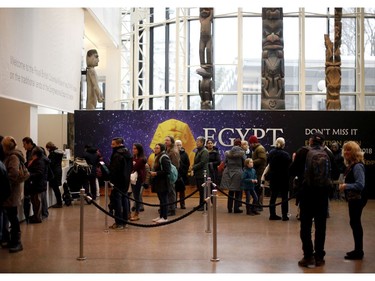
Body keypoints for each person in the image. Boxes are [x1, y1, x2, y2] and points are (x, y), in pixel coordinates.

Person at [289, 132, 338, 267]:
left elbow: (292, 171)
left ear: (310, 141)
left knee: (305, 226)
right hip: (322, 195)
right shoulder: (328, 153)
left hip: (306, 194)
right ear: (323, 142)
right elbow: (336, 172)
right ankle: (319, 258)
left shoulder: (302, 152)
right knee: (320, 227)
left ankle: (308, 256)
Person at [339, 141, 367, 260]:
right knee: (354, 223)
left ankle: (359, 251)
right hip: (353, 199)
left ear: (355, 152)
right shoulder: (351, 165)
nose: (346, 152)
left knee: (355, 223)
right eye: (345, 150)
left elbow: (360, 185)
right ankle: (358, 249)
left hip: (357, 199)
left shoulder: (358, 166)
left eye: (349, 150)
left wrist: (346, 186)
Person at [1, 136, 25, 252]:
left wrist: (4, 182)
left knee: (13, 217)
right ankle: (13, 240)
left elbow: (13, 174)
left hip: (11, 192)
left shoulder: (13, 157)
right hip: (11, 191)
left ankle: (17, 242)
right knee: (12, 216)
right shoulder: (12, 156)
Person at [108, 137, 132, 230]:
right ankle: (125, 221)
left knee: (117, 201)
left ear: (119, 144)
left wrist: (111, 180)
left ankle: (119, 223)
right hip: (125, 181)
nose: (111, 146)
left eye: (113, 144)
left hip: (118, 182)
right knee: (125, 200)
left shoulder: (117, 155)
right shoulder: (128, 153)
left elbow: (115, 170)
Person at [22, 137, 48, 219]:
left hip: (38, 182)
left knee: (38, 200)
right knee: (38, 200)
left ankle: (40, 216)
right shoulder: (32, 153)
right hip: (38, 182)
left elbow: (39, 172)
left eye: (24, 144)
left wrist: (30, 174)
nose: (23, 146)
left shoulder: (39, 158)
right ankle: (41, 215)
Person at [267, 137, 292, 221]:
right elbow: (289, 165)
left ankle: (272, 214)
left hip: (274, 177)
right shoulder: (286, 155)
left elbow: (269, 163)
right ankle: (284, 215)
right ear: (283, 145)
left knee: (273, 196)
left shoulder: (271, 153)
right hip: (284, 178)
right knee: (284, 197)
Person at [221, 138, 245, 213]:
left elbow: (224, 162)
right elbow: (245, 162)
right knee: (237, 191)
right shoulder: (242, 153)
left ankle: (229, 208)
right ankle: (236, 208)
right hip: (238, 172)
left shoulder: (228, 153)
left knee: (231, 191)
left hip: (229, 172)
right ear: (240, 144)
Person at [150, 143, 171, 223]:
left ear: (161, 149)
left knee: (164, 200)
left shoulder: (164, 157)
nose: (155, 149)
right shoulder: (157, 157)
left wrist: (156, 173)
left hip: (163, 182)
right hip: (159, 182)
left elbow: (167, 171)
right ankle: (161, 216)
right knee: (161, 200)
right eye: (155, 148)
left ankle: (165, 217)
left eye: (157, 148)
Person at [248, 135, 267, 211]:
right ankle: (257, 204)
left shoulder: (260, 149)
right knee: (257, 188)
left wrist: (251, 162)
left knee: (258, 189)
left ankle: (258, 205)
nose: (250, 145)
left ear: (254, 143)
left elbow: (262, 159)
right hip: (258, 171)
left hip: (260, 172)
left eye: (250, 143)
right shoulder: (257, 149)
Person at [129, 143, 147, 221]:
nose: (133, 150)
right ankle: (129, 213)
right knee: (132, 195)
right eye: (133, 148)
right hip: (132, 179)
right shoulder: (133, 158)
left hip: (138, 179)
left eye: (135, 148)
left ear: (139, 150)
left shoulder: (142, 159)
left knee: (136, 196)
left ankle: (137, 213)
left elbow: (135, 167)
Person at [191, 136, 209, 211]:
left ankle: (204, 205)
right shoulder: (198, 151)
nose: (196, 143)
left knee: (203, 191)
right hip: (198, 174)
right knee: (200, 191)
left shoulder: (204, 151)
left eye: (198, 141)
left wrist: (193, 167)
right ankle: (201, 205)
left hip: (203, 174)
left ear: (202, 143)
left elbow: (202, 162)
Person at [164, 136, 180, 216]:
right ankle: (168, 207)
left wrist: (171, 173)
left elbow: (175, 164)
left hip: (170, 174)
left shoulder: (173, 151)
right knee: (168, 192)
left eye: (167, 140)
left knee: (171, 192)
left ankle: (172, 209)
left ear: (171, 141)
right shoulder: (166, 150)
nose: (165, 141)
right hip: (166, 174)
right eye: (165, 140)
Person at [45, 142, 64, 208]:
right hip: (58, 171)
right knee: (56, 188)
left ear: (49, 148)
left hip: (54, 172)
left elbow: (51, 163)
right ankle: (59, 202)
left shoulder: (53, 154)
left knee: (55, 188)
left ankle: (59, 203)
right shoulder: (59, 153)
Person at [175, 140, 190, 209]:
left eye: (180, 145)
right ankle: (174, 204)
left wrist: (184, 171)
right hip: (174, 175)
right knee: (174, 190)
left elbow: (187, 164)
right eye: (177, 145)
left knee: (182, 191)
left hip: (182, 175)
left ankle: (182, 204)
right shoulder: (173, 153)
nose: (179, 146)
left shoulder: (185, 154)